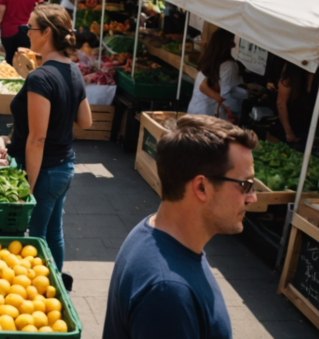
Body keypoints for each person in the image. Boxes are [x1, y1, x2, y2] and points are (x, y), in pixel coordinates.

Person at [104, 115, 257, 339]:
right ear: (202, 187)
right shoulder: (169, 293)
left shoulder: (154, 230)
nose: (252, 198)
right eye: (245, 184)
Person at [8, 4, 92, 276]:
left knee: (35, 236)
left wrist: (28, 188)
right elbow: (86, 121)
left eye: (29, 28)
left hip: (43, 170)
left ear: (45, 32)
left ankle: (45, 293)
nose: (26, 33)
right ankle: (57, 283)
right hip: (65, 167)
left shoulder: (40, 77)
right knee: (54, 231)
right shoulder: (73, 70)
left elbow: (37, 139)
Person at [187, 29, 247, 121]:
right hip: (205, 115)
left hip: (194, 110)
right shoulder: (229, 65)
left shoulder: (208, 60)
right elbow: (224, 96)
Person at [277, 62, 318, 146]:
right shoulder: (294, 69)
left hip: (310, 129)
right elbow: (281, 103)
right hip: (291, 127)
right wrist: (288, 132)